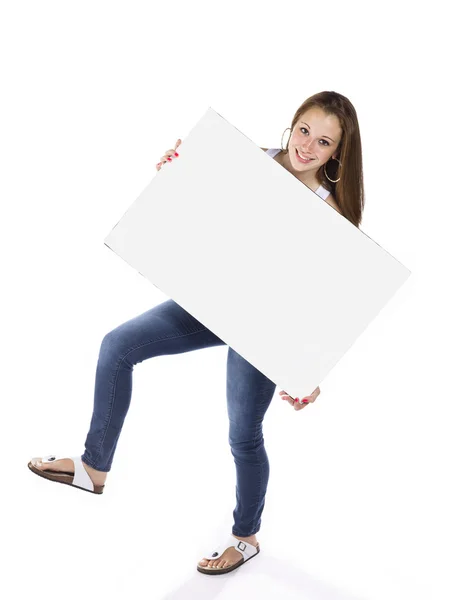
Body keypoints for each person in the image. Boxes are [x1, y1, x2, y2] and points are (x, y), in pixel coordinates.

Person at [28, 90, 365, 575]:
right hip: (214, 302)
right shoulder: (247, 160)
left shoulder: (329, 212)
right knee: (117, 346)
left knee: (243, 436)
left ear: (337, 154)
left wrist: (308, 371)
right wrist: (174, 174)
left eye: (324, 142)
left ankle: (245, 538)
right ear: (292, 126)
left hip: (266, 326)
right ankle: (93, 469)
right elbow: (199, 215)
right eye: (305, 131)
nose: (308, 147)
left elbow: (326, 302)